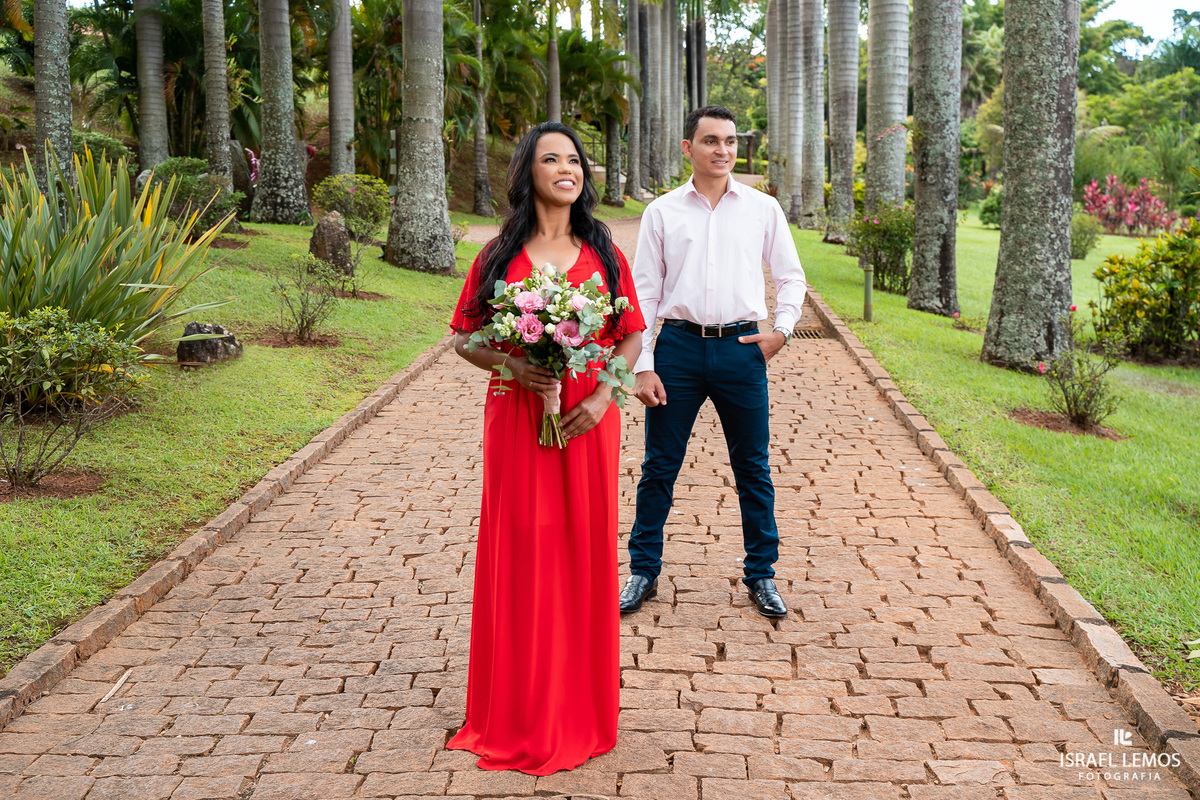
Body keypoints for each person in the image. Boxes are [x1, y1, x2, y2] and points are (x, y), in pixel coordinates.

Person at [446, 121, 645, 775]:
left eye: (574, 159)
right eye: (550, 158)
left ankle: (581, 710)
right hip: (517, 414)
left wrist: (601, 397)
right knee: (526, 548)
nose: (567, 168)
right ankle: (518, 710)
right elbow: (464, 338)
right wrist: (515, 368)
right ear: (527, 174)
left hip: (588, 422)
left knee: (580, 549)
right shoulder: (499, 256)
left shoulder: (605, 253)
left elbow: (631, 339)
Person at [620, 105, 806, 618]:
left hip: (742, 350)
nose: (722, 150)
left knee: (753, 468)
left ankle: (761, 575)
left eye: (729, 141)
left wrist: (781, 332)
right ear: (689, 148)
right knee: (660, 466)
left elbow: (792, 276)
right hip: (677, 350)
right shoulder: (662, 211)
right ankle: (642, 572)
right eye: (710, 141)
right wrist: (645, 363)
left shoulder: (763, 209)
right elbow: (645, 293)